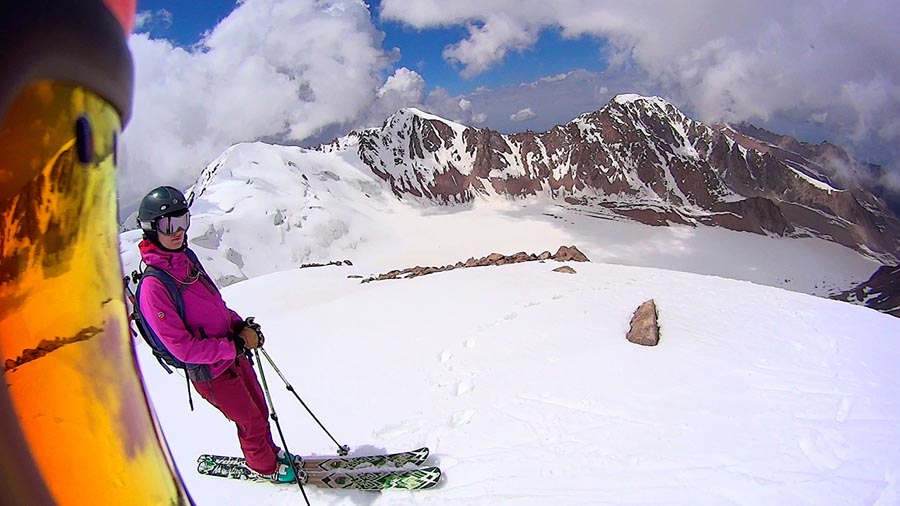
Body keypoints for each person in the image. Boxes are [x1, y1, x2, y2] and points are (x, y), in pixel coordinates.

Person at [135, 185, 298, 483]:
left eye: (182, 220)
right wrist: (233, 345)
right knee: (249, 420)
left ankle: (270, 453)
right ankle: (265, 467)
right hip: (210, 372)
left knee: (259, 410)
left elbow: (215, 307)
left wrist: (239, 326)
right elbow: (182, 348)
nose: (178, 231)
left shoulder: (186, 260)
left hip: (233, 355)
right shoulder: (154, 287)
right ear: (151, 229)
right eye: (168, 224)